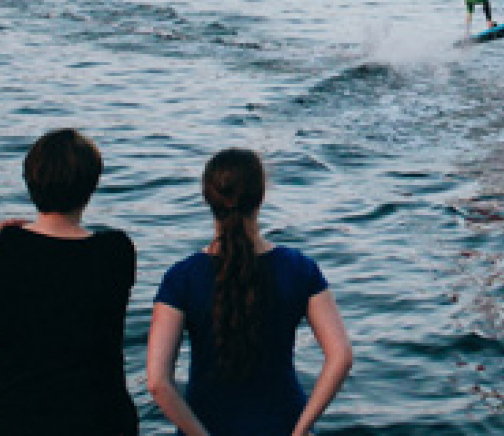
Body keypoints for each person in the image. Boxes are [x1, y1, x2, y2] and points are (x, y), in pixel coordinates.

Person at [0, 128, 138, 435]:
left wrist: (3, 388)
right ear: (92, 185)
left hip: (14, 420)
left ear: (29, 181)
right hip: (100, 420)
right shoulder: (116, 253)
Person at [147, 148, 352, 436]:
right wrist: (300, 430)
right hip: (282, 423)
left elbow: (158, 382)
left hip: (207, 425)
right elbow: (340, 356)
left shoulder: (182, 278)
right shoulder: (299, 268)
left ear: (208, 198)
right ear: (261, 197)